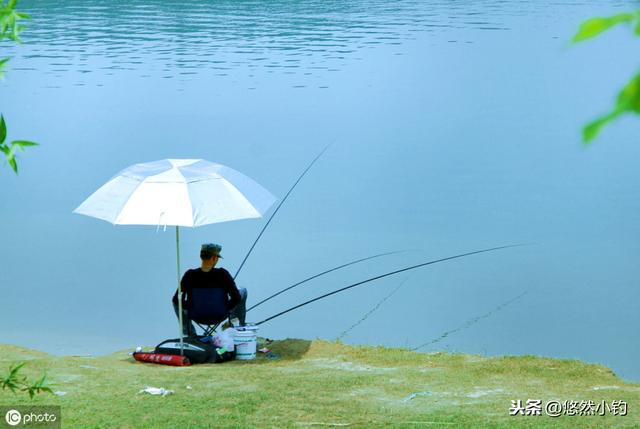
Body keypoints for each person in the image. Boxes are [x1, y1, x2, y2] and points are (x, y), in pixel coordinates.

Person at [172, 243, 247, 337]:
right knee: (243, 290)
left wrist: (189, 308)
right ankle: (236, 327)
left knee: (176, 301)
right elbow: (236, 298)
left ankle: (189, 333)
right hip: (220, 314)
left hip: (196, 315)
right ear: (214, 258)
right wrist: (227, 308)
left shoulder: (189, 275)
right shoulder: (223, 274)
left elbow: (176, 299)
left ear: (201, 256)